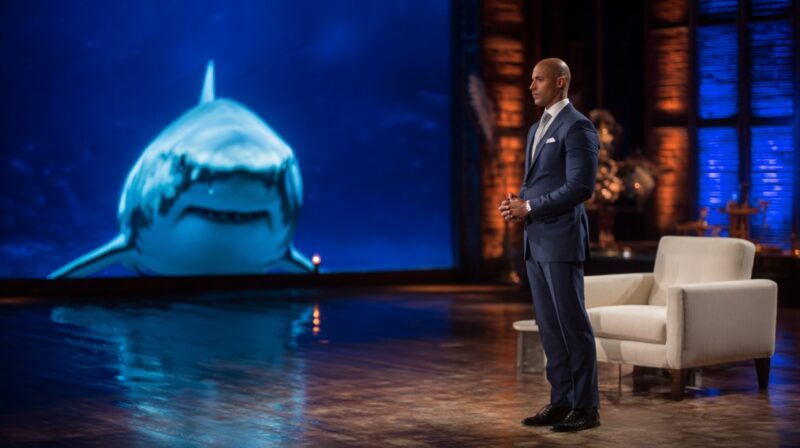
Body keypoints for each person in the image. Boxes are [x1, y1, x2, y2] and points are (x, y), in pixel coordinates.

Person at [498, 58, 600, 432]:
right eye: (531, 80)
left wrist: (532, 206)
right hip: (536, 239)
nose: (531, 86)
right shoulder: (535, 129)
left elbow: (580, 188)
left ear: (560, 82)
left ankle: (586, 406)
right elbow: (537, 183)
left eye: (538, 80)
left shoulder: (579, 127)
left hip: (561, 240)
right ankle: (561, 401)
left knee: (572, 324)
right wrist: (517, 205)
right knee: (549, 326)